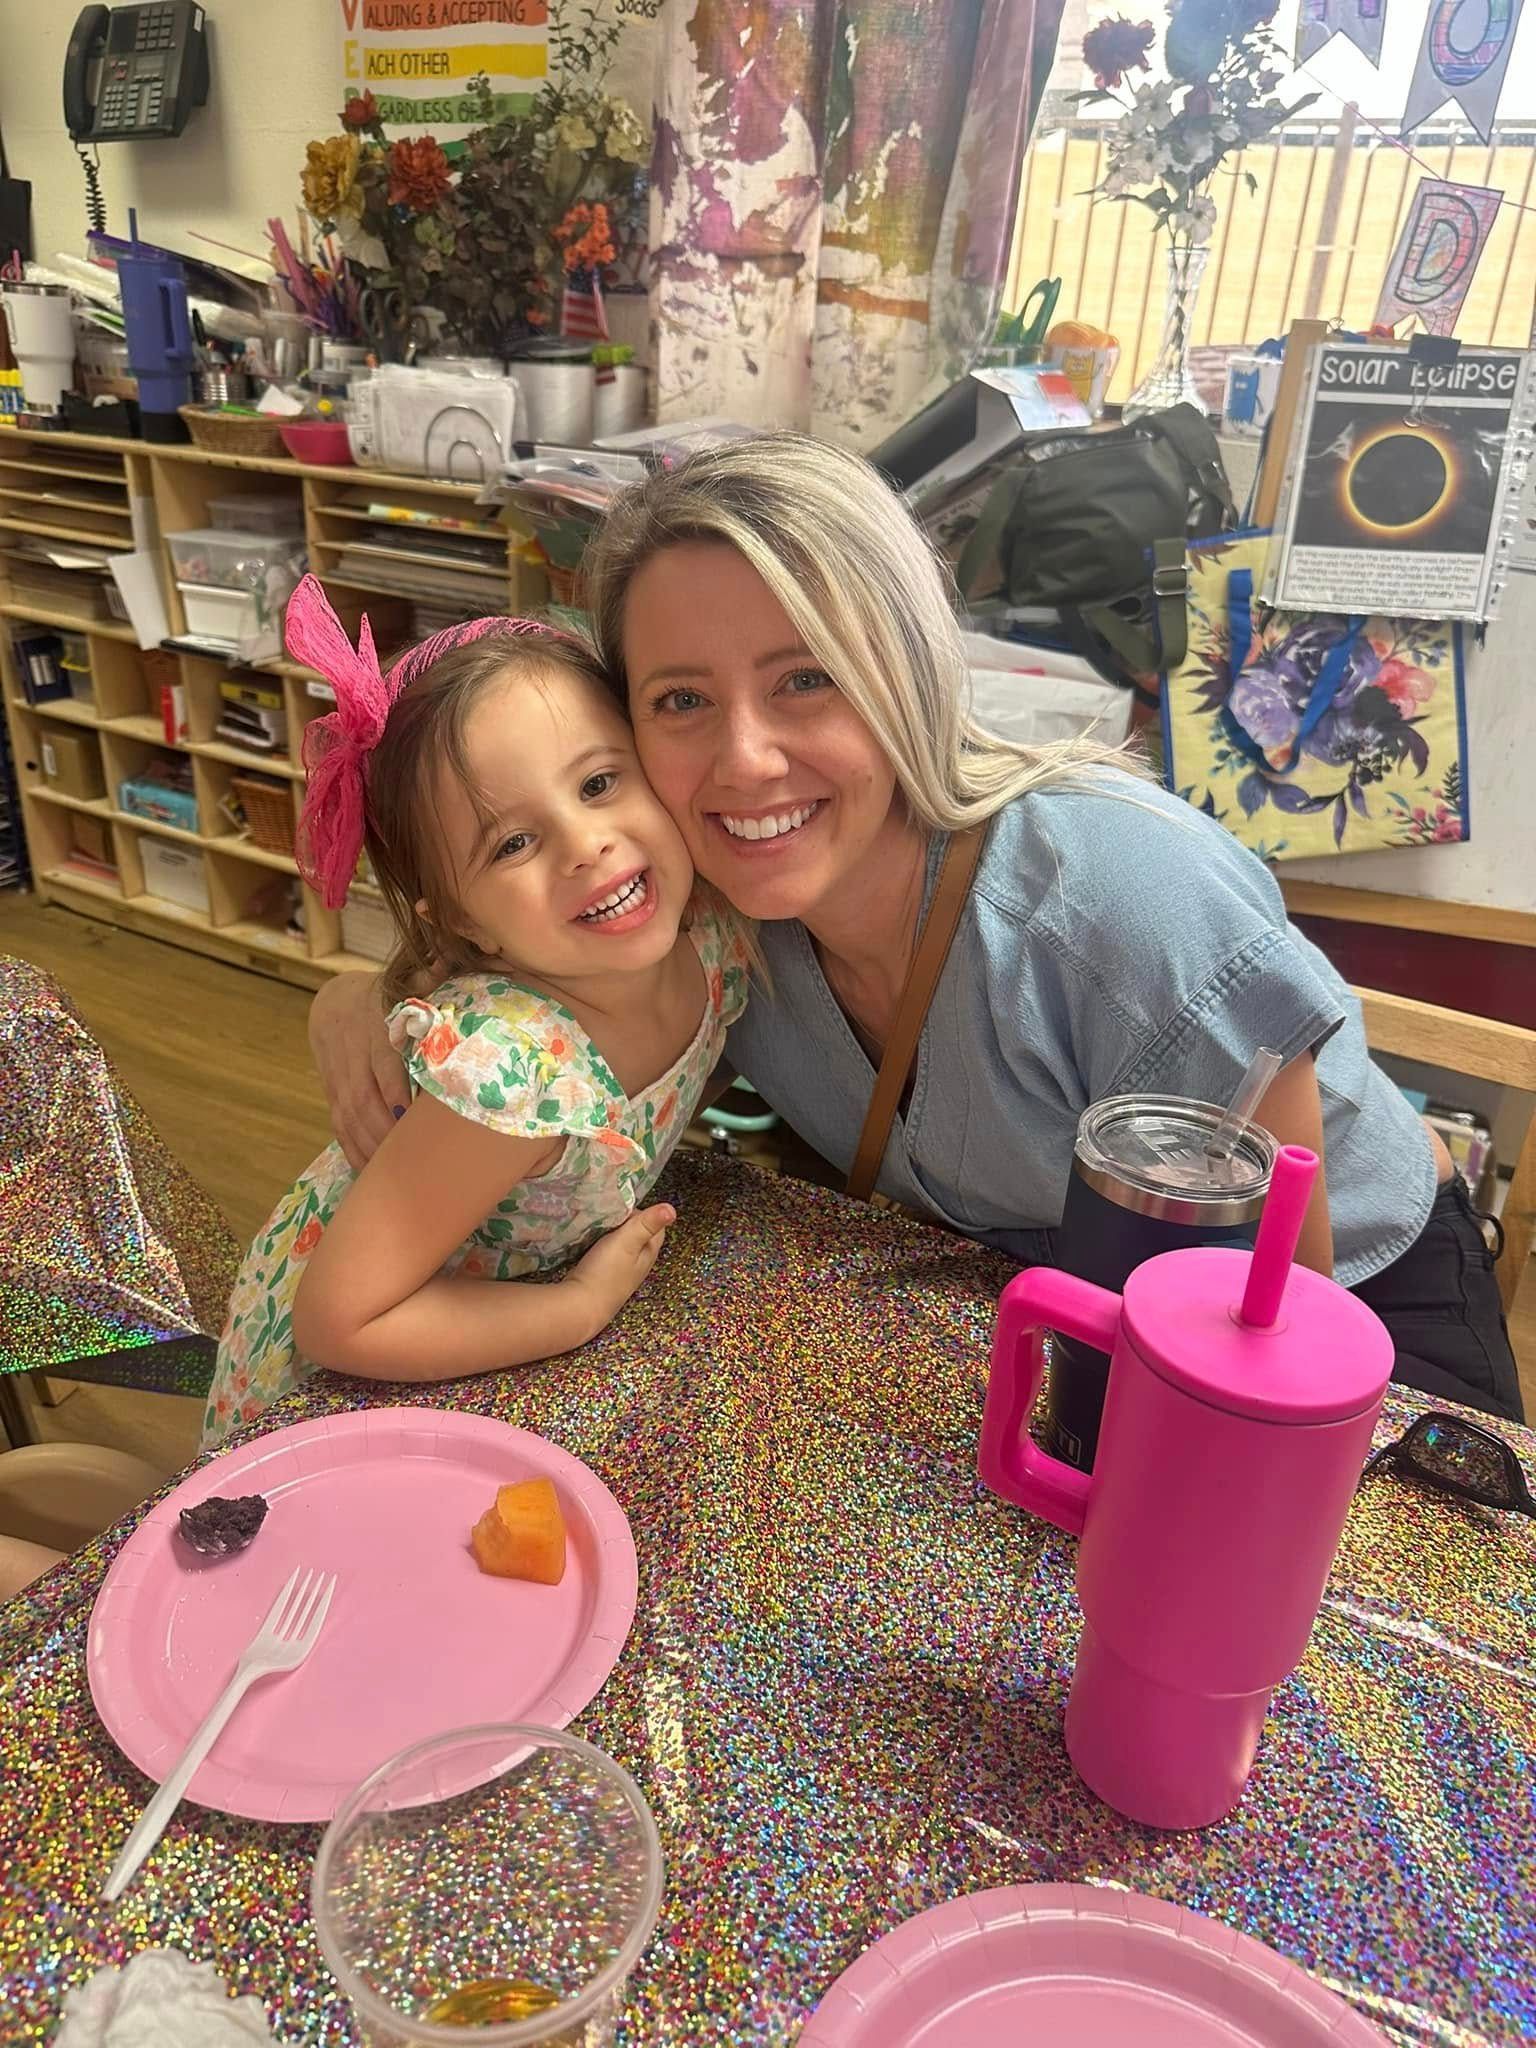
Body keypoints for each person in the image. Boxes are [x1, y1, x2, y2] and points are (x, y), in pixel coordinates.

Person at [310, 436, 1522, 1423]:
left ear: (903, 668)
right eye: (681, 699)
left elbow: (1272, 1347)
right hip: (1022, 1298)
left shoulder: (1116, 904)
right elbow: (526, 935)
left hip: (1348, 1316)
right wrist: (367, 988)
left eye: (807, 677)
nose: (744, 760)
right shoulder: (714, 904)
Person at [203, 576, 749, 1447]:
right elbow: (340, 1322)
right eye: (513, 843)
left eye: (601, 782)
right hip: (352, 1382)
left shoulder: (711, 939)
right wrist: (576, 1309)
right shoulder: (512, 1068)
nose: (585, 845)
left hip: (485, 1337)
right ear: (460, 921)